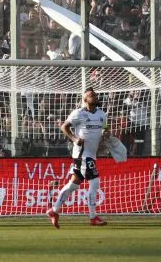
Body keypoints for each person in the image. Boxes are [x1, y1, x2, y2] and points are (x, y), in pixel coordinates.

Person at [47, 87, 109, 228]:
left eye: (95, 94)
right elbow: (64, 127)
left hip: (91, 154)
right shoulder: (78, 113)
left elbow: (105, 128)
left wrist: (106, 134)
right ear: (85, 99)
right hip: (82, 154)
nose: (94, 96)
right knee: (95, 182)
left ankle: (54, 210)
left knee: (73, 184)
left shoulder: (101, 114)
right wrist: (74, 139)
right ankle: (93, 217)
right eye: (91, 95)